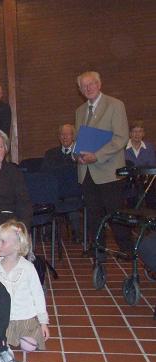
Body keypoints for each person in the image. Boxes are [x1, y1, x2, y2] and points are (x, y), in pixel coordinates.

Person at [74, 71, 132, 256]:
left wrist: (97, 156)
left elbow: (121, 138)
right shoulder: (80, 111)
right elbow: (80, 140)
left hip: (109, 171)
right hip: (86, 171)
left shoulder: (115, 105)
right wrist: (76, 155)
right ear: (80, 90)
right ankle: (98, 250)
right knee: (93, 214)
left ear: (99, 84)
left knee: (116, 214)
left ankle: (127, 251)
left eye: (91, 83)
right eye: (84, 86)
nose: (88, 88)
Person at [0, 220, 50, 350]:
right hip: (3, 318)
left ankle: (22, 335)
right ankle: (7, 337)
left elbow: (38, 295)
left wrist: (43, 322)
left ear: (17, 245)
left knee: (29, 346)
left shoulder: (28, 268)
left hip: (25, 317)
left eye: (3, 241)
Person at [41, 124, 81, 242]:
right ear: (59, 137)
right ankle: (50, 234)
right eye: (62, 134)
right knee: (46, 202)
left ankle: (77, 234)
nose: (64, 137)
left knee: (73, 205)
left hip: (73, 192)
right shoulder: (50, 154)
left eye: (67, 134)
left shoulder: (80, 154)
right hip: (54, 193)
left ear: (73, 136)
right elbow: (44, 174)